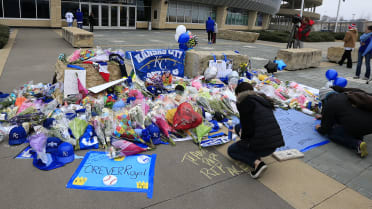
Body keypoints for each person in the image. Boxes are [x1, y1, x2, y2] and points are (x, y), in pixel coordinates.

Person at [227, 82, 284, 179]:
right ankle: (255, 152)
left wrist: (241, 135)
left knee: (232, 150)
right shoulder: (260, 99)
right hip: (273, 144)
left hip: (264, 145)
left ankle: (257, 163)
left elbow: (248, 131)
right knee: (237, 126)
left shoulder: (245, 103)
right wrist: (239, 131)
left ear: (238, 94)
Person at [316, 87, 372, 158]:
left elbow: (325, 129)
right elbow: (344, 112)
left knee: (331, 133)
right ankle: (358, 137)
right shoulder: (346, 95)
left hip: (358, 126)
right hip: (369, 125)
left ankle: (357, 144)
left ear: (324, 98)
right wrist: (323, 116)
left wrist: (319, 128)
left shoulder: (330, 103)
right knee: (353, 125)